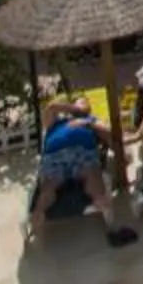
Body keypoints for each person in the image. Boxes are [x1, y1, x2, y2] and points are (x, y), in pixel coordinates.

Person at [26, 97, 107, 230]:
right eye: (80, 103)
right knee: (49, 185)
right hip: (55, 155)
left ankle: (103, 207)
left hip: (83, 152)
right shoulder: (56, 122)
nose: (83, 105)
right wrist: (76, 110)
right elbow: (51, 106)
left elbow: (110, 133)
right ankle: (38, 214)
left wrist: (89, 123)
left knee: (92, 175)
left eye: (85, 103)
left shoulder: (93, 120)